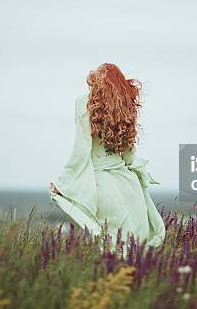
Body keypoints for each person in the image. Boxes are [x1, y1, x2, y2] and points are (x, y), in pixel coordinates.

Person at [49, 63, 165, 247]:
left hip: (101, 186)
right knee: (135, 247)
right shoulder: (125, 107)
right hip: (128, 185)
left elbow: (81, 149)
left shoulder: (84, 103)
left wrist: (63, 183)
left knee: (112, 247)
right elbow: (129, 158)